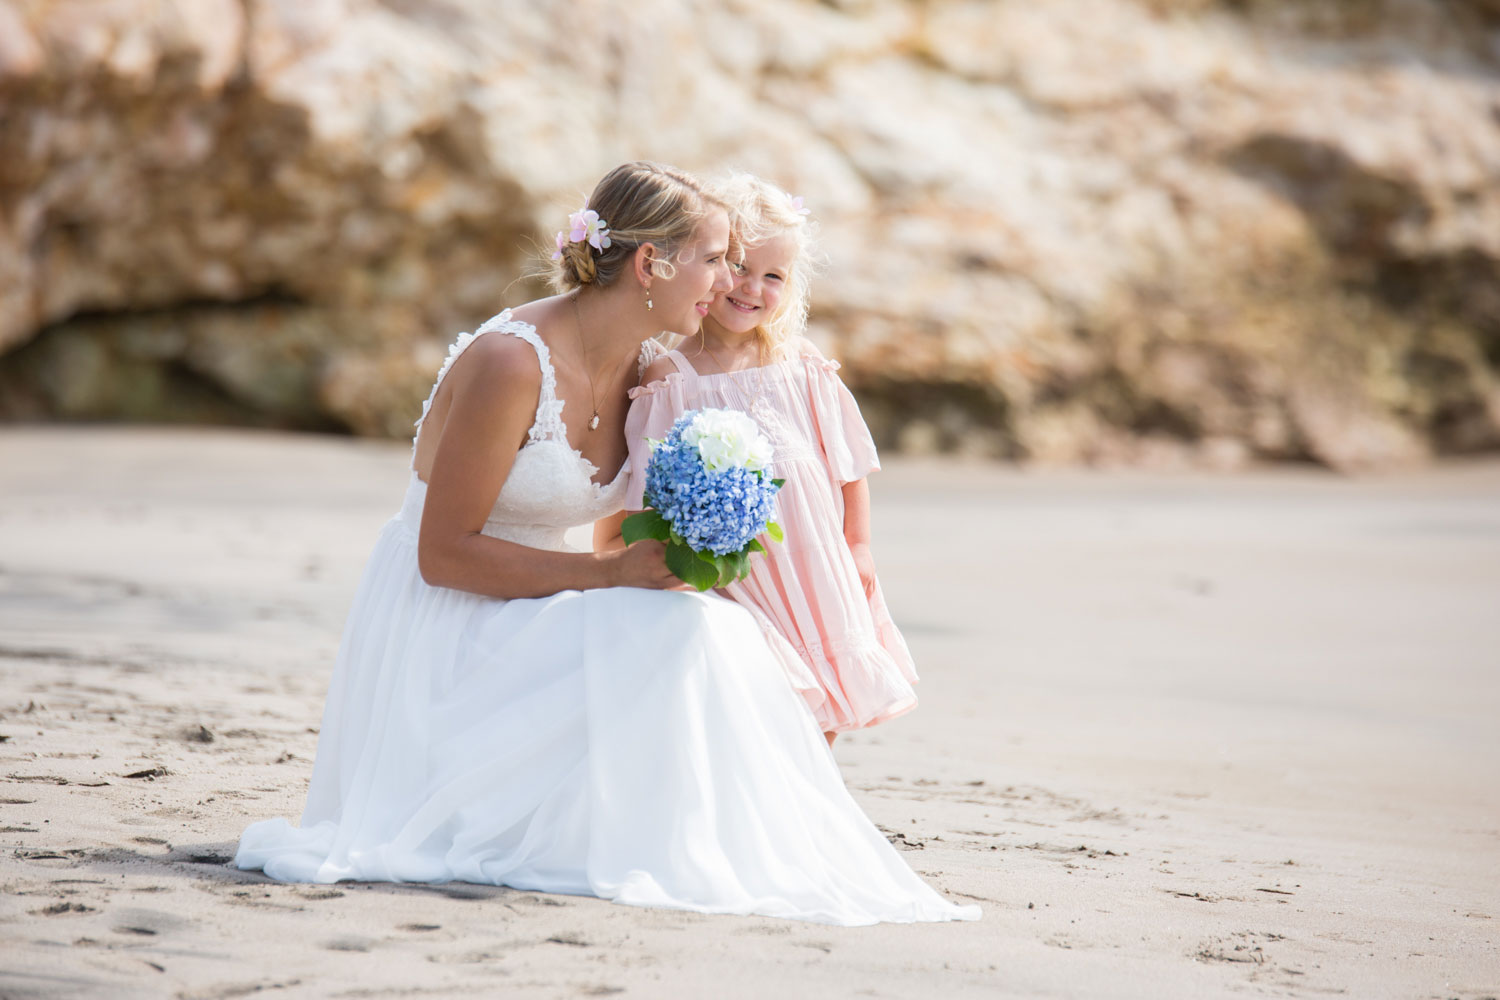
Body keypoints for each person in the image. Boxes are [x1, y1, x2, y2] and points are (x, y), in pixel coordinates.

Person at [233, 161, 979, 926]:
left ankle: (717, 839)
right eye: (716, 259)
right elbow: (443, 554)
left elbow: (755, 400)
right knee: (680, 629)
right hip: (448, 618)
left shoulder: (652, 371)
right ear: (653, 264)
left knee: (713, 623)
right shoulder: (509, 361)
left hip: (540, 598)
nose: (726, 282)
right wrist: (612, 573)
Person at [619, 173, 917, 749]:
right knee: (763, 690)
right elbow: (647, 488)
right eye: (737, 265)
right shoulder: (669, 379)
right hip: (738, 572)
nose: (751, 287)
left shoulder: (801, 363)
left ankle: (812, 801)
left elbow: (848, 466)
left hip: (815, 559)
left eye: (773, 276)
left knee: (826, 694)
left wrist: (858, 545)